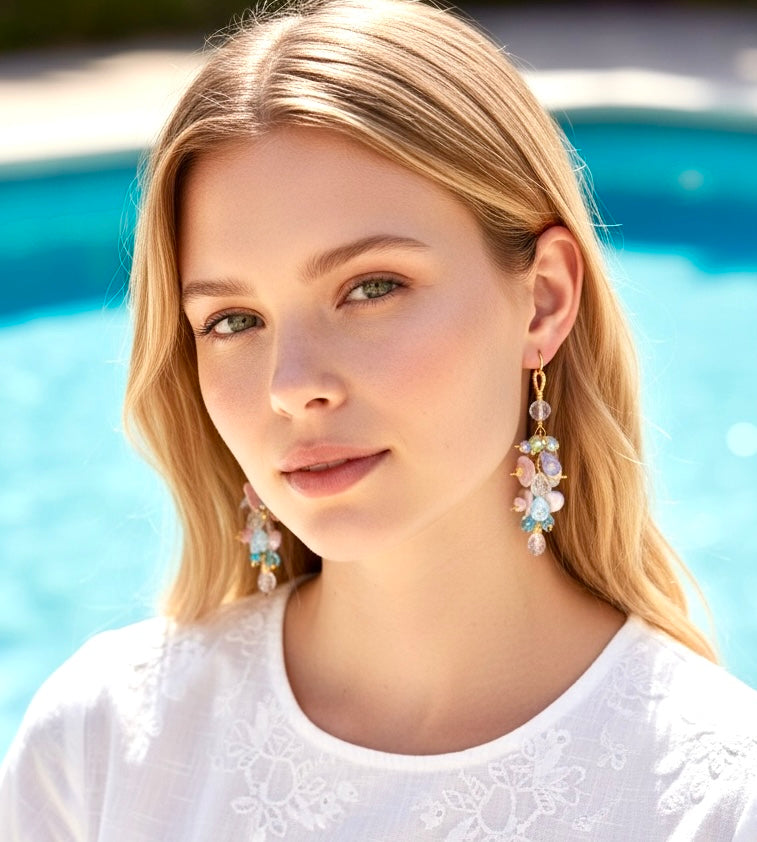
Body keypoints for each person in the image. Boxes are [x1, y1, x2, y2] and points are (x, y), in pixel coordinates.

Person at [2, 0, 756, 838]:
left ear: (542, 301)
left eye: (370, 288)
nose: (291, 386)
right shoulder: (101, 744)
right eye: (232, 321)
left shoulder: (716, 799)